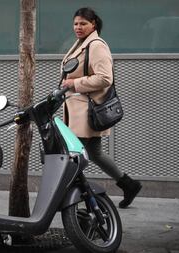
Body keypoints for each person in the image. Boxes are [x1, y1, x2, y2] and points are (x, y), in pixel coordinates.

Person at [61, 7, 142, 208]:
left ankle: (73, 198)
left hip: (85, 111)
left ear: (93, 24)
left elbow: (105, 78)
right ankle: (129, 184)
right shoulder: (81, 43)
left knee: (72, 155)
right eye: (76, 23)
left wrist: (74, 84)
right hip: (78, 108)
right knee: (94, 153)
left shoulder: (96, 45)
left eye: (83, 24)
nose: (78, 27)